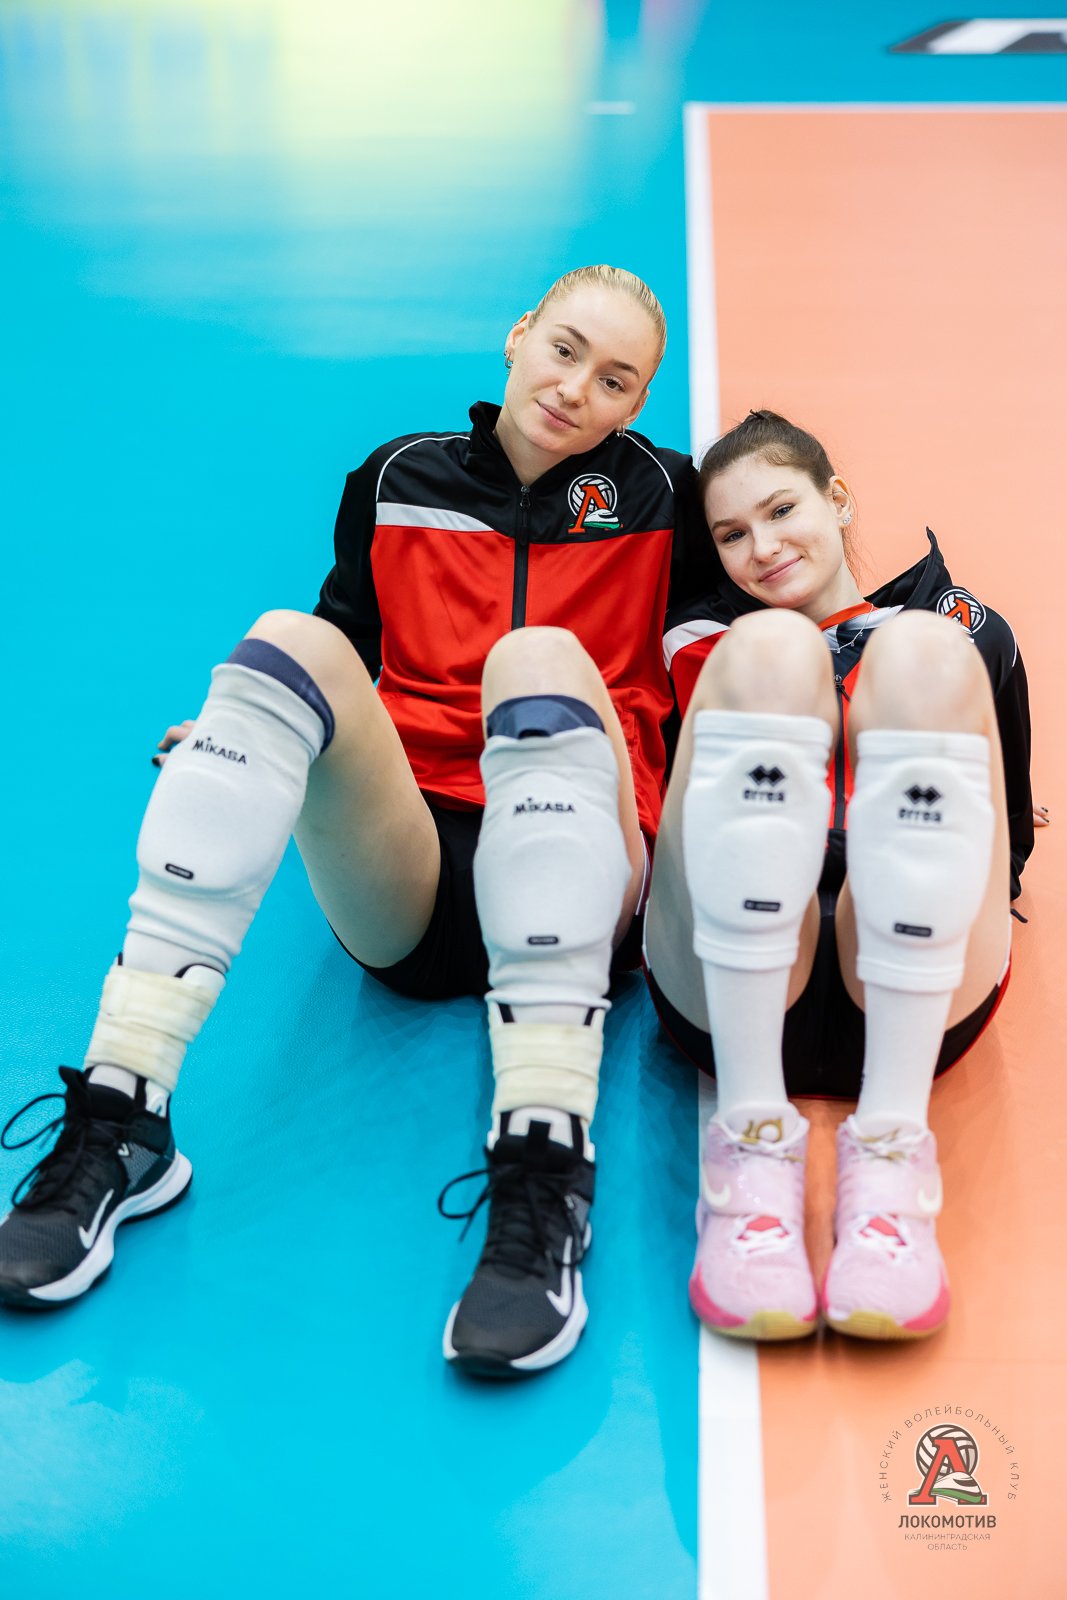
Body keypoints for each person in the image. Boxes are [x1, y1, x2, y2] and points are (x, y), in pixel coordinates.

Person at [0, 265, 712, 1376]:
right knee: (287, 639)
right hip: (416, 878)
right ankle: (121, 1115)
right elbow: (344, 648)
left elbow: (724, 683)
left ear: (637, 404)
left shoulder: (667, 499)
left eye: (616, 379)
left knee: (535, 659)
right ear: (519, 335)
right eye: (564, 349)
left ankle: (545, 1170)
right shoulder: (395, 478)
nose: (577, 387)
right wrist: (243, 726)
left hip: (588, 871)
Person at [643, 409, 1038, 1342]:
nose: (762, 548)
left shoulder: (961, 633)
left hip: (912, 987)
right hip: (727, 984)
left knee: (923, 647)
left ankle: (893, 1162)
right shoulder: (703, 642)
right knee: (770, 647)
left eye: (781, 510)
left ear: (838, 499)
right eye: (730, 535)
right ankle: (749, 1148)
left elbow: (1006, 846)